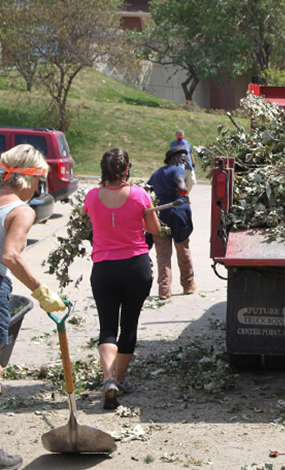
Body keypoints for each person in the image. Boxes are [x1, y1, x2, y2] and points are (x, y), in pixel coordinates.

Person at [0, 144, 66, 470]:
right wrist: (40, 292)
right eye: (40, 182)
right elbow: (10, 256)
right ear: (28, 178)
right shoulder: (21, 211)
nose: (38, 189)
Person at [83, 148, 161, 409]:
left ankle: (108, 379)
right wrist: (146, 211)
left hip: (104, 268)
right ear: (127, 169)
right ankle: (121, 378)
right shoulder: (140, 194)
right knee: (128, 325)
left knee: (107, 327)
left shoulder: (92, 197)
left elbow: (94, 220)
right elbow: (155, 230)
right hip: (135, 267)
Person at [147, 147, 195, 301]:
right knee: (183, 248)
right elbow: (181, 186)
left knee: (163, 254)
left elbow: (148, 190)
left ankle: (164, 290)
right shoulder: (176, 171)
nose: (184, 161)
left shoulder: (157, 173)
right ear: (173, 159)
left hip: (160, 215)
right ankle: (188, 284)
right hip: (177, 214)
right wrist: (183, 193)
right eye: (182, 158)